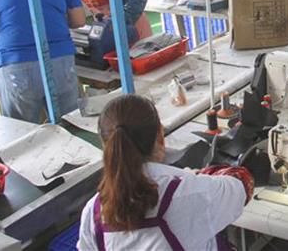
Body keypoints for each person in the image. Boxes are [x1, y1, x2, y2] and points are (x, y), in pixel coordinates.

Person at [78, 94, 253, 251]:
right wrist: (200, 176)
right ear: (160, 136)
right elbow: (243, 184)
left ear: (105, 146)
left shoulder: (92, 213)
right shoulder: (189, 192)